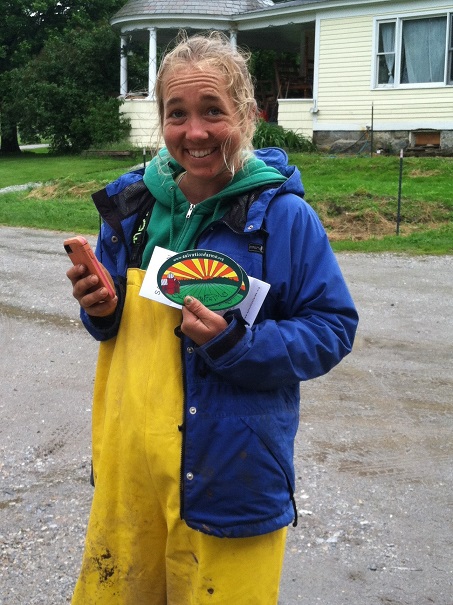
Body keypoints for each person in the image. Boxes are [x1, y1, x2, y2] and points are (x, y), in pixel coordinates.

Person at [67, 31, 358, 605]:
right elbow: (110, 329)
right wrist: (100, 309)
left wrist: (235, 345)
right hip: (131, 473)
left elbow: (331, 327)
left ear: (248, 115)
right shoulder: (133, 209)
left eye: (212, 112)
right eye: (177, 114)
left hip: (231, 474)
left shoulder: (286, 219)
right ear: (162, 120)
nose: (194, 132)